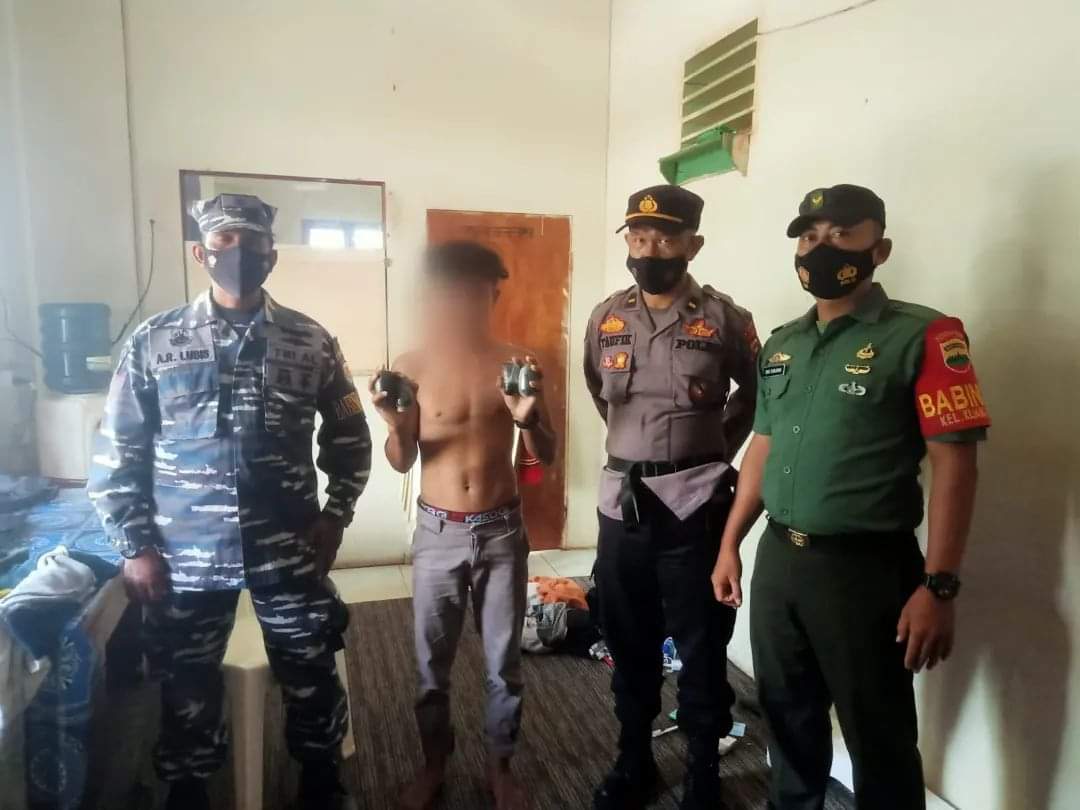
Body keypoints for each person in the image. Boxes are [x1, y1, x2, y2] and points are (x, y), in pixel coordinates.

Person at [712, 184, 991, 810]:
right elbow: (762, 447)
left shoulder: (924, 336)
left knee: (878, 735)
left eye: (842, 233)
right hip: (780, 562)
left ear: (879, 249)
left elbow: (955, 464)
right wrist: (731, 543)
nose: (822, 247)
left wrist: (940, 585)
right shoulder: (782, 343)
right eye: (810, 237)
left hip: (865, 572)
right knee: (787, 718)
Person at [88, 193, 371, 810]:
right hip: (185, 552)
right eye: (223, 241)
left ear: (272, 253)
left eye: (252, 241)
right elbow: (117, 450)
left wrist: (338, 512)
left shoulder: (310, 339)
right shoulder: (155, 340)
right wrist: (133, 546)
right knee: (185, 676)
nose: (238, 252)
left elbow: (350, 435)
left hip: (287, 546)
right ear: (201, 252)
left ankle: (321, 779)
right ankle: (189, 785)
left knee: (310, 666)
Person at [584, 185, 760, 810]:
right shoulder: (606, 317)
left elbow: (758, 396)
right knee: (628, 641)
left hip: (696, 507)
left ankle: (704, 773)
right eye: (638, 237)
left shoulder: (724, 319)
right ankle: (633, 761)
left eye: (663, 238)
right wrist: (638, 452)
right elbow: (599, 393)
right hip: (622, 505)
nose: (648, 250)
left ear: (693, 244)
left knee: (701, 646)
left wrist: (711, 451)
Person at [372, 241, 556, 810]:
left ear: (492, 294)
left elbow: (545, 453)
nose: (463, 304)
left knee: (504, 662)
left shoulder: (517, 362)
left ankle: (501, 768)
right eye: (452, 293)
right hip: (438, 533)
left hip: (501, 531)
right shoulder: (413, 365)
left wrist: (528, 420)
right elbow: (401, 460)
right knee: (432, 664)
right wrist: (397, 427)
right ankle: (434, 765)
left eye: (477, 292)